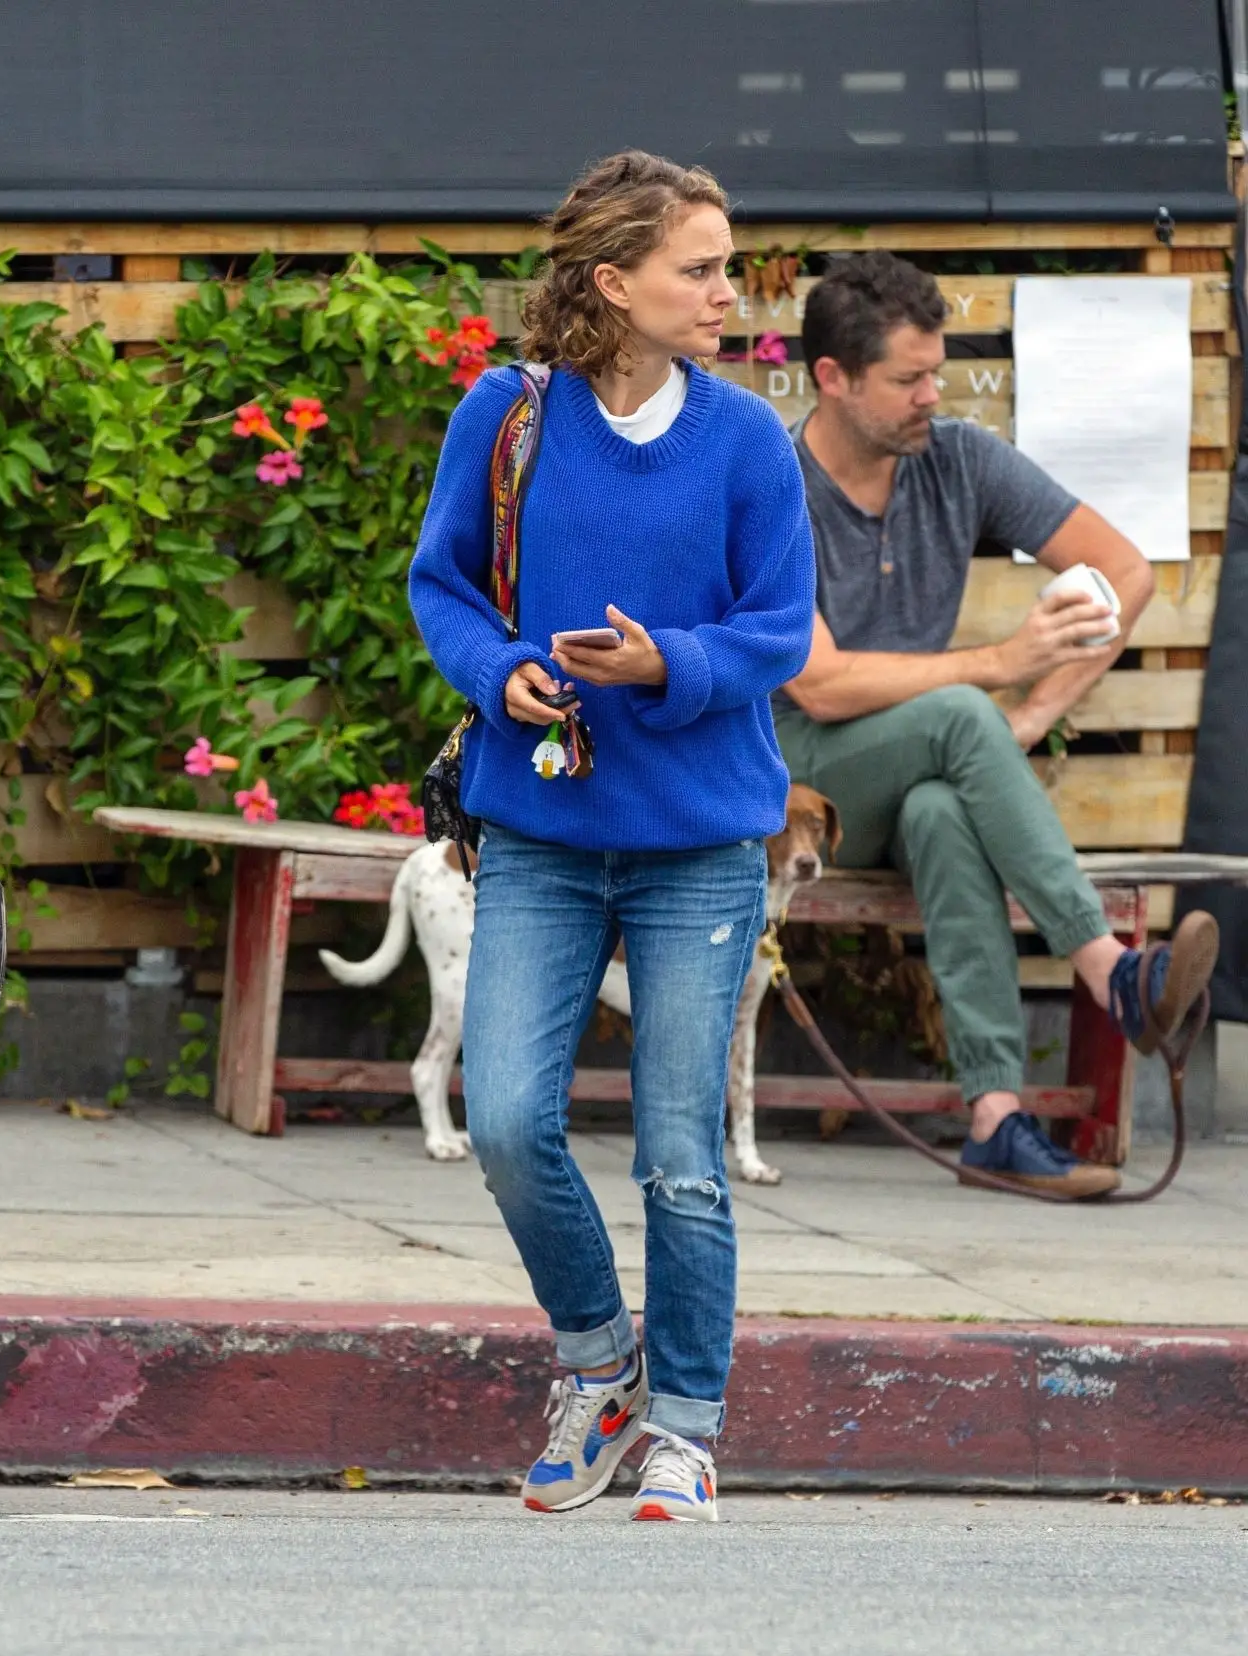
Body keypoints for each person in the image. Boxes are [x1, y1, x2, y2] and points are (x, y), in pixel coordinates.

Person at [408, 151, 815, 1521]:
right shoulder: (506, 417)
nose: (726, 288)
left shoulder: (752, 438)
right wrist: (495, 670)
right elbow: (443, 583)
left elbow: (776, 633)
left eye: (725, 262)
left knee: (680, 1151)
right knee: (510, 1120)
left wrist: (666, 667)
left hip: (701, 845)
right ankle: (599, 1364)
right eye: (698, 267)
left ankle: (687, 1428)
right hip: (540, 825)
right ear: (613, 283)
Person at [775, 251, 1219, 1198]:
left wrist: (1031, 716)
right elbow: (816, 683)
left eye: (937, 371)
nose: (932, 394)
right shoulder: (775, 482)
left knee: (943, 806)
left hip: (908, 775)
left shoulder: (958, 458)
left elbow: (1125, 571)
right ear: (833, 378)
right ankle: (1112, 971)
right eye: (908, 378)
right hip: (794, 779)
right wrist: (1001, 673)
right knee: (958, 715)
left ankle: (995, 1121)